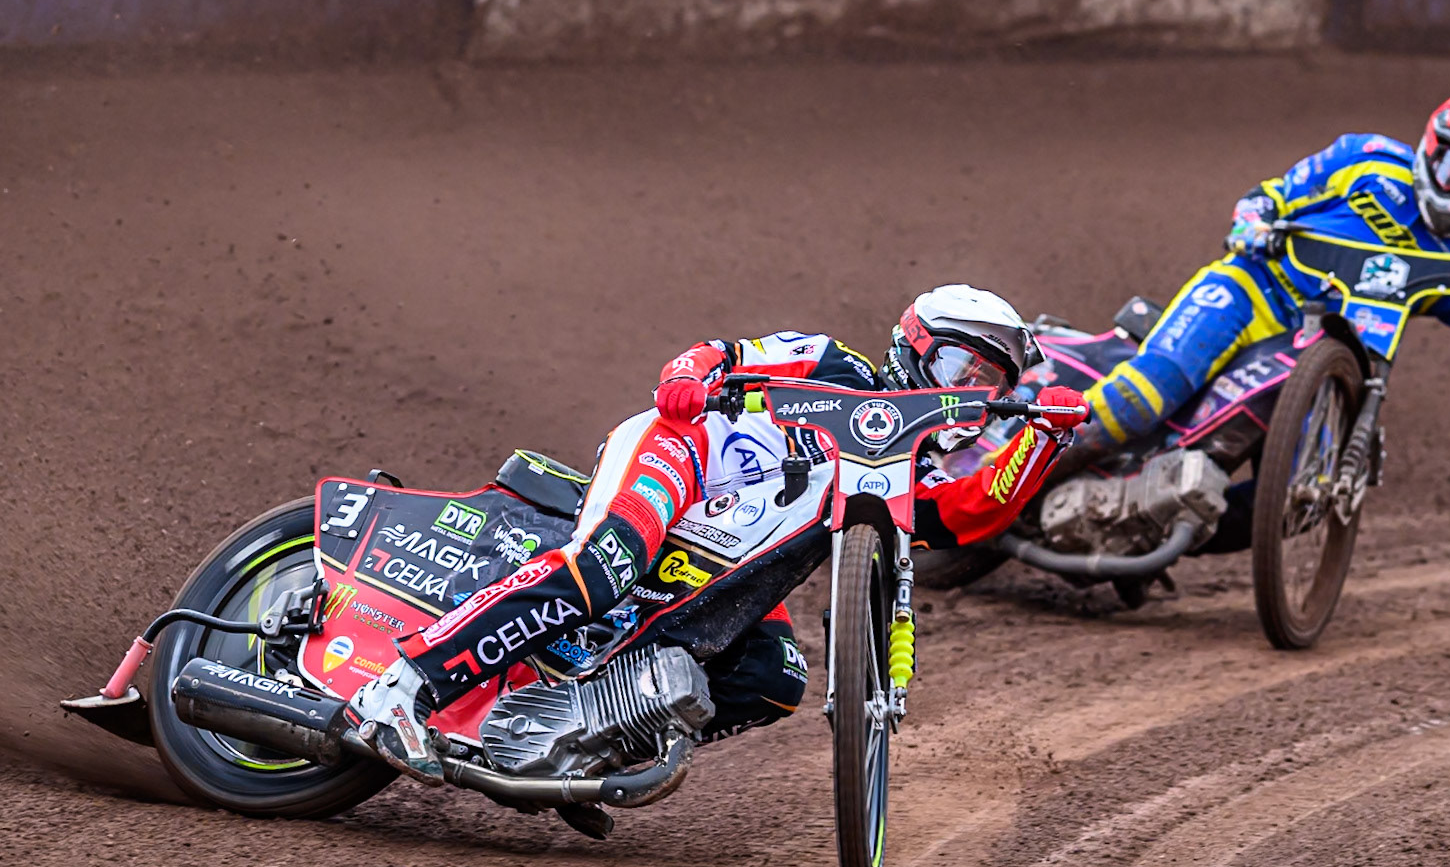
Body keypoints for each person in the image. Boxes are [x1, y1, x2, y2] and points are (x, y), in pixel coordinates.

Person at [346, 285, 1085, 784]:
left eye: (991, 382)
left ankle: (581, 744)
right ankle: (403, 689)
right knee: (602, 567)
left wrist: (1042, 438)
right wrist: (690, 372)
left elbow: (968, 513)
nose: (970, 390)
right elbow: (727, 354)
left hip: (731, 565)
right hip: (681, 458)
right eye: (961, 364)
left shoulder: (900, 479)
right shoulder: (834, 364)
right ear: (912, 346)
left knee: (775, 676)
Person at [1081, 83, 1450, 449]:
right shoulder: (1366, 163)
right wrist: (1254, 220)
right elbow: (1272, 195)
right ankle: (1013, 477)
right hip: (1253, 295)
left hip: (1329, 363)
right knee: (1140, 400)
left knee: (1307, 482)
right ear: (1433, 150)